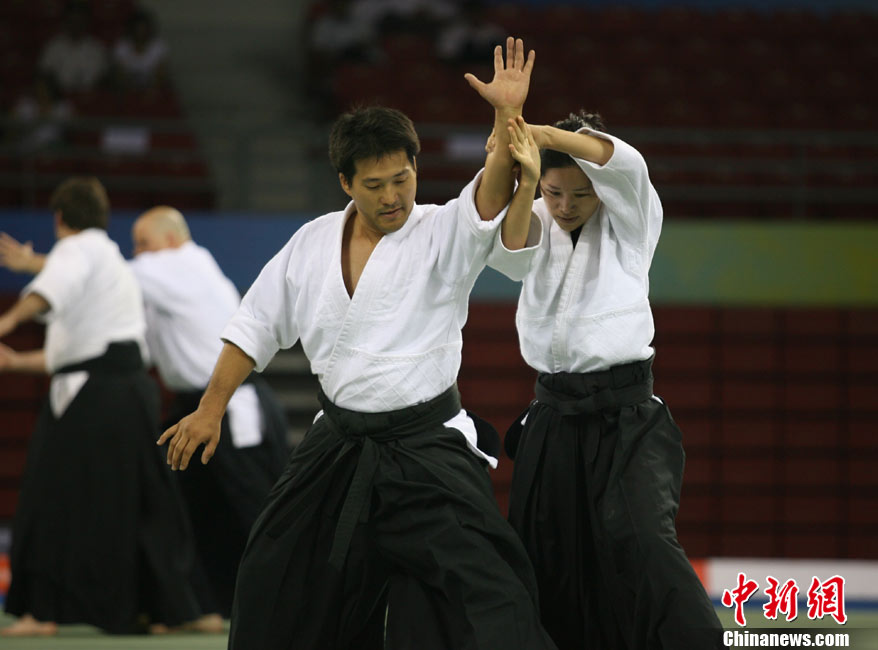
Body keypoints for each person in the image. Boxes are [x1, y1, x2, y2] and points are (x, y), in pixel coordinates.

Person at [159, 39, 556, 649]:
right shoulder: (311, 242)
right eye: (375, 185)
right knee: (273, 576)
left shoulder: (442, 230)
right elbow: (255, 325)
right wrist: (210, 408)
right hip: (339, 443)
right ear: (346, 182)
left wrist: (507, 115)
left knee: (490, 591)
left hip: (428, 448)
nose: (393, 196)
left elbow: (492, 192)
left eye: (403, 178)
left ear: (416, 169)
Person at [486, 110, 725, 648]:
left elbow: (628, 165)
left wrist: (544, 135)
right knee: (545, 558)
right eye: (554, 192)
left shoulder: (629, 221)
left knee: (644, 541)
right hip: (552, 415)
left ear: (602, 189)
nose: (566, 206)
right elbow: (508, 258)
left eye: (582, 194)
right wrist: (524, 174)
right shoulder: (535, 217)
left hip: (625, 414)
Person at [0, 177, 202, 636]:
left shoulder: (76, 249)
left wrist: (7, 320)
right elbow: (73, 351)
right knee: (131, 502)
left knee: (47, 498)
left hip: (97, 394)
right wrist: (14, 362)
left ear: (59, 219)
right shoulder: (108, 258)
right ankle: (153, 609)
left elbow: (49, 290)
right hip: (127, 390)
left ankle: (39, 612)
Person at [129, 206, 290, 619]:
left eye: (144, 244)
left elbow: (111, 275)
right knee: (192, 508)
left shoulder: (184, 264)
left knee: (255, 510)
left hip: (227, 406)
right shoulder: (171, 282)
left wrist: (47, 264)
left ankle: (295, 601)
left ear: (171, 240)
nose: (138, 253)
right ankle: (204, 606)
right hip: (193, 405)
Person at [38, 0, 107, 95]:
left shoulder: (97, 49)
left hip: (90, 98)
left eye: (79, 21)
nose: (76, 25)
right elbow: (44, 75)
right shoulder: (53, 47)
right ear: (66, 21)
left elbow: (103, 80)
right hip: (59, 98)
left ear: (86, 22)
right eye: (73, 21)